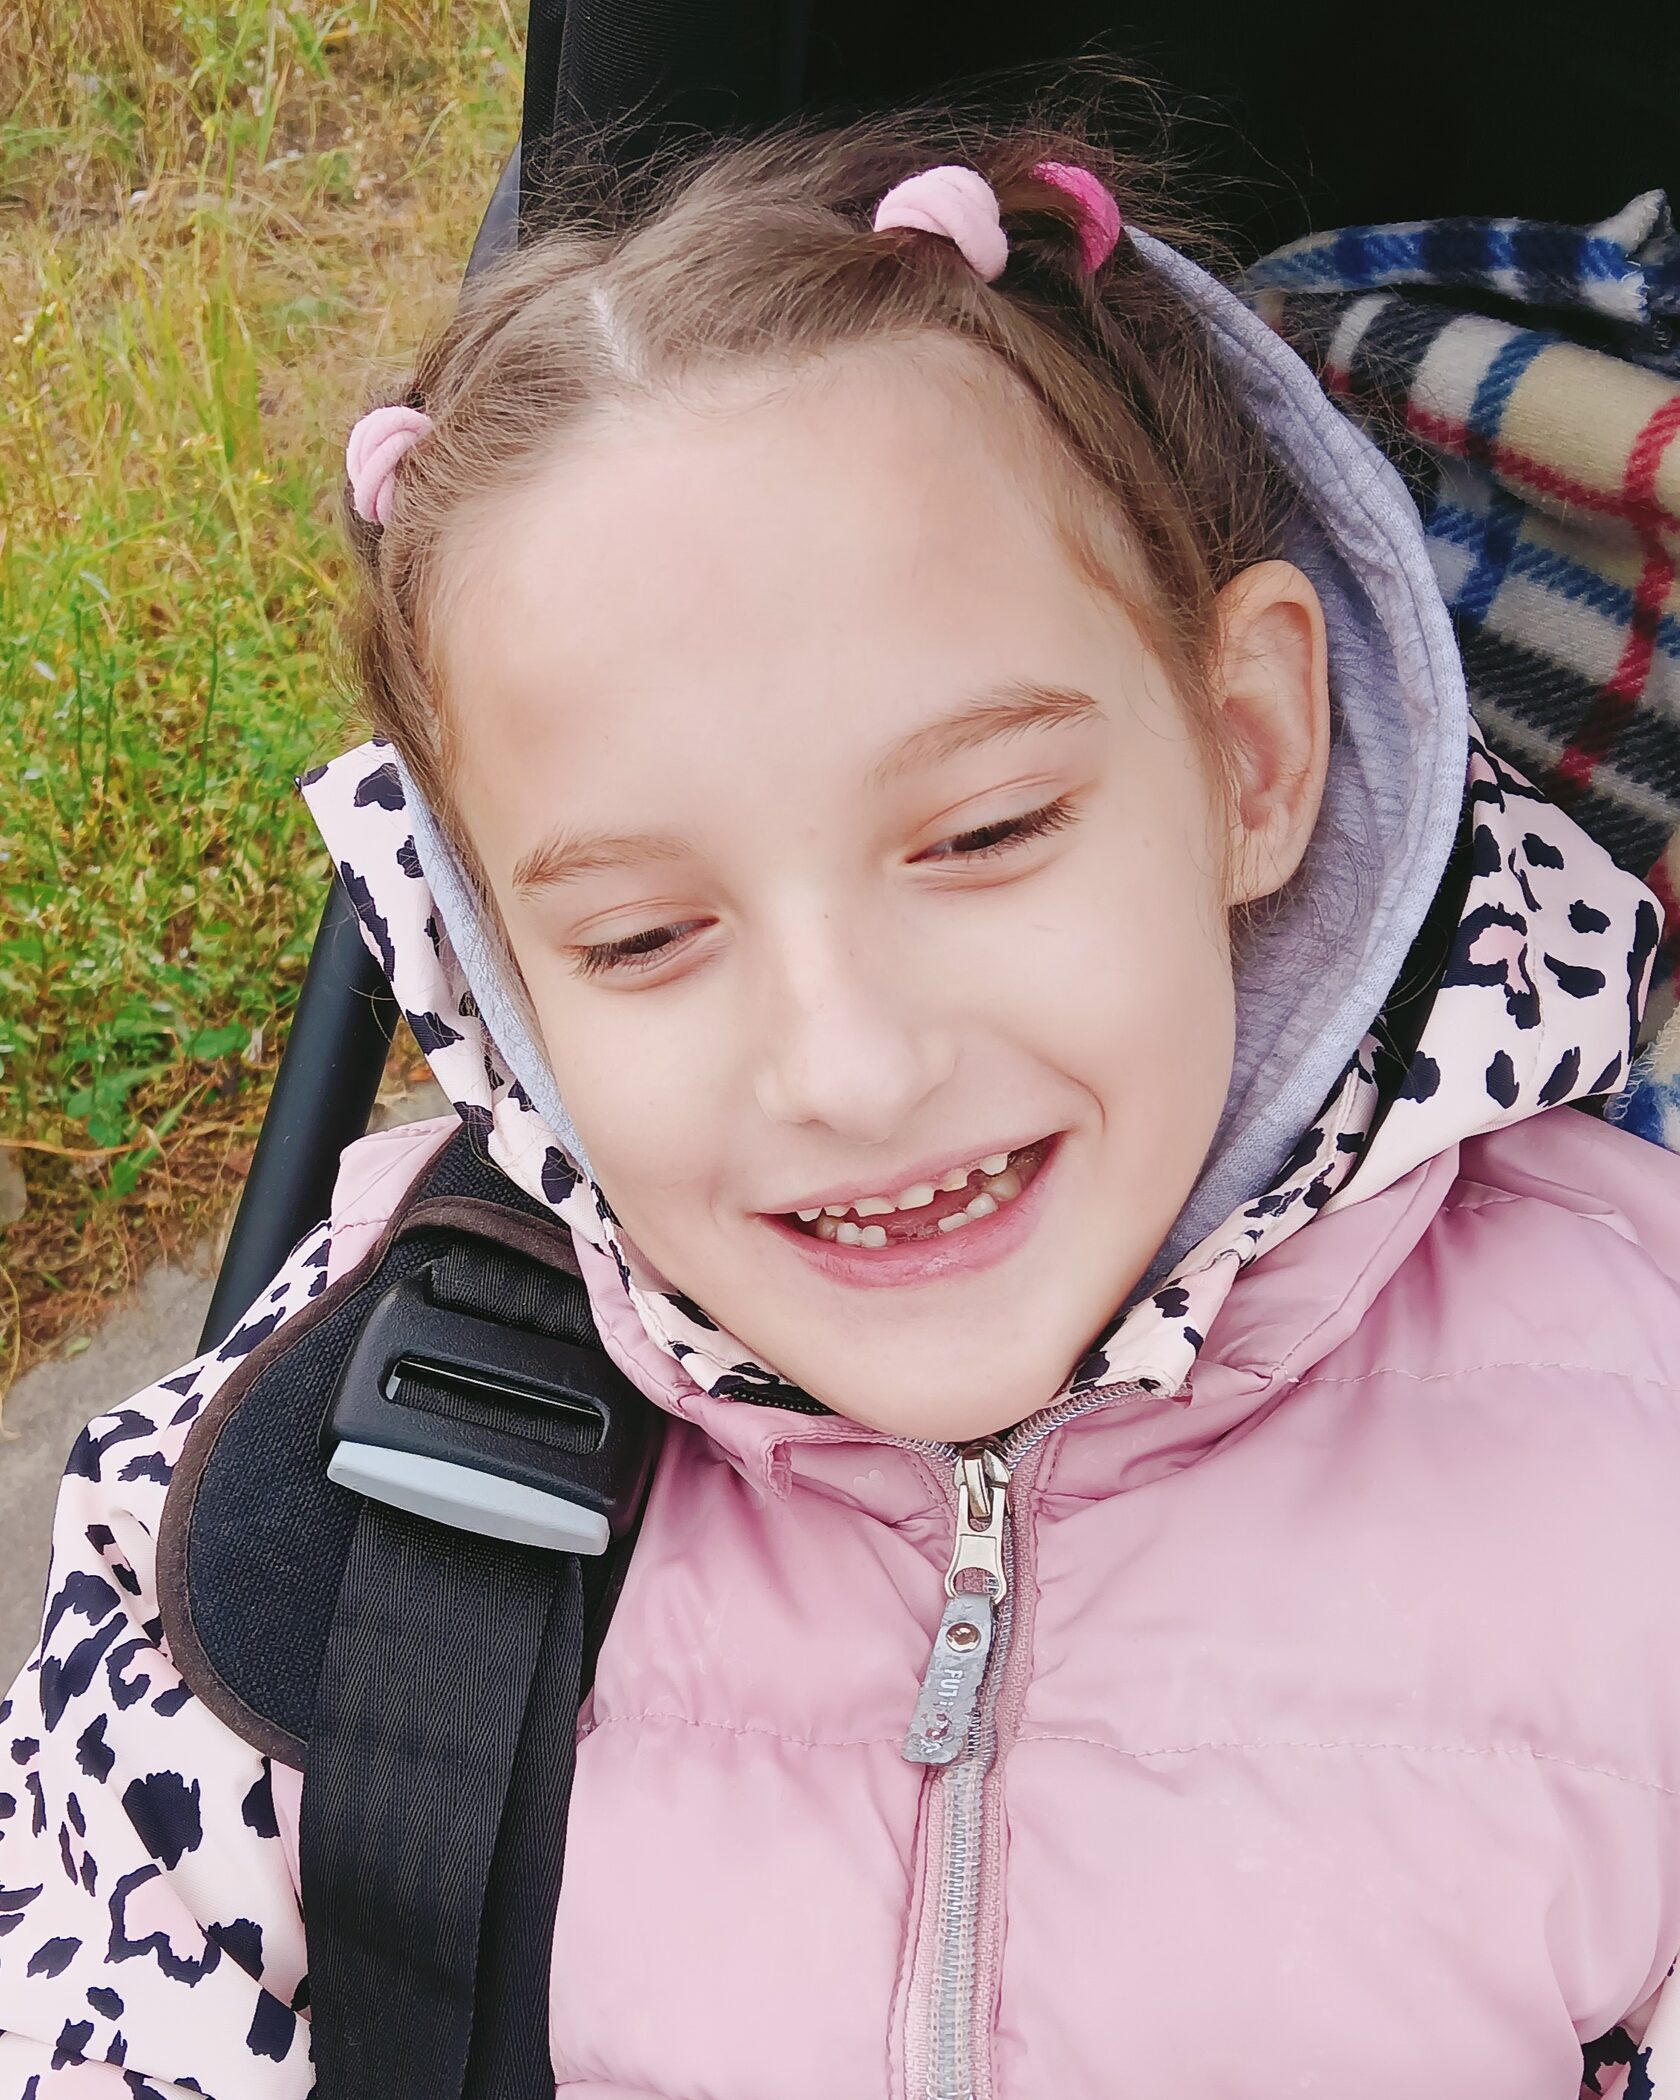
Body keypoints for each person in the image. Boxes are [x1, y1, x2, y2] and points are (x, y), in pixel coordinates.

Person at [4, 103, 1680, 2100]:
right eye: (642, 938)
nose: (851, 1068)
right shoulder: (310, 1491)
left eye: (984, 833)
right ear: (496, 964)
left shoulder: (1638, 1459)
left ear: (1247, 751)